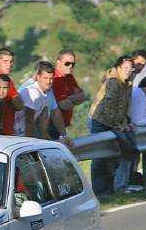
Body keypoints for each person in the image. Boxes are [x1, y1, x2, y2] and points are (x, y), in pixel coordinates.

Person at [88, 55, 134, 194]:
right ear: (118, 68)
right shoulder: (113, 82)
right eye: (125, 68)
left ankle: (111, 188)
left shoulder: (127, 84)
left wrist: (125, 123)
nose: (128, 71)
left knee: (114, 155)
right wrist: (117, 125)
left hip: (114, 123)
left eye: (130, 69)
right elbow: (109, 105)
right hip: (100, 121)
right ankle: (99, 191)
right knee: (100, 157)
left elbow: (124, 107)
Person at [0, 47, 24, 135]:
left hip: (3, 130)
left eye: (11, 61)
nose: (9, 64)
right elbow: (19, 106)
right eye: (5, 61)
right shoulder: (1, 81)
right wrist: (17, 97)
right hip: (1, 132)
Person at [14, 61, 55, 138]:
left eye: (51, 78)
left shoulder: (45, 93)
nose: (49, 82)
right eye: (45, 78)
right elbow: (29, 121)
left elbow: (42, 123)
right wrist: (31, 143)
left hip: (22, 133)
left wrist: (51, 141)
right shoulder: (34, 93)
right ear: (38, 77)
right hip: (15, 134)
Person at [52, 49, 86, 137]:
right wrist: (73, 97)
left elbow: (82, 96)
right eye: (67, 63)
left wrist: (69, 99)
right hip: (52, 126)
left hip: (62, 125)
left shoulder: (69, 77)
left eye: (73, 64)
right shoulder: (53, 79)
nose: (70, 66)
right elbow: (65, 105)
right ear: (58, 62)